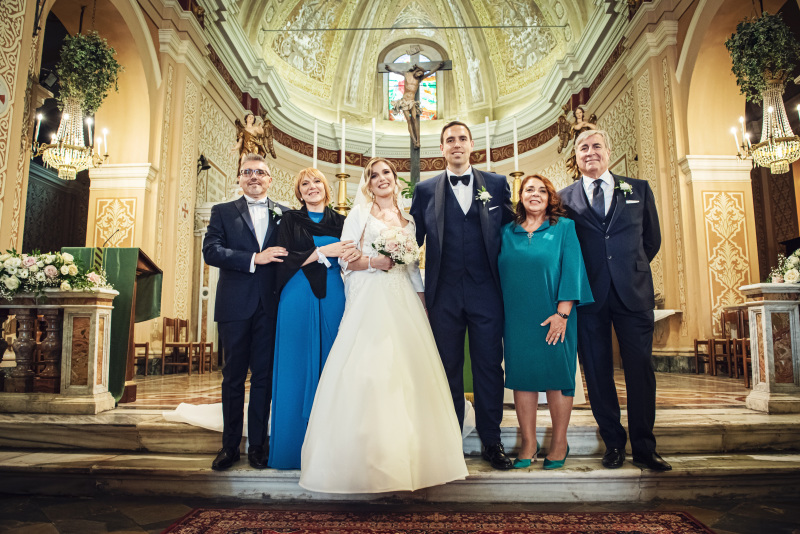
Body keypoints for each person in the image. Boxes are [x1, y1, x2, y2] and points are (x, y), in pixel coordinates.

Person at [300, 158, 468, 493]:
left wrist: (423, 304)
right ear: (368, 183)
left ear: (395, 179)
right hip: (370, 297)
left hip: (404, 299)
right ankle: (369, 456)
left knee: (409, 373)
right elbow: (345, 259)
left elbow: (413, 268)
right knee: (371, 372)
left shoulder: (410, 220)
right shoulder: (359, 215)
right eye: (373, 175)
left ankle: (414, 456)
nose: (381, 179)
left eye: (386, 173)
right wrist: (374, 262)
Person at [559, 130, 671, 472]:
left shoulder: (638, 189)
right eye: (583, 148)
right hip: (589, 297)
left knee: (640, 369)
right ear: (576, 156)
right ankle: (613, 444)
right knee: (597, 372)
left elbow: (651, 240)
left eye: (596, 146)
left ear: (608, 151)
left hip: (633, 293)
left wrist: (628, 268)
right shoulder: (564, 198)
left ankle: (645, 447)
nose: (590, 152)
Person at [409, 121, 515, 470]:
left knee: (489, 367)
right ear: (441, 148)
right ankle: (450, 439)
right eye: (449, 140)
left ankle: (492, 440)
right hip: (444, 295)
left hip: (488, 293)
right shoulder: (425, 190)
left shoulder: (496, 185)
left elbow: (513, 233)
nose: (456, 144)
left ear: (472, 145)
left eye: (462, 139)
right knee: (447, 368)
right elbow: (410, 242)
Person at [498, 174, 593, 470]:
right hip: (517, 319)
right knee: (522, 377)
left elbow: (572, 270)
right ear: (521, 197)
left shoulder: (564, 227)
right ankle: (528, 442)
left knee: (558, 378)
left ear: (551, 197)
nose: (535, 194)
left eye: (542, 190)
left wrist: (562, 314)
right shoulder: (506, 232)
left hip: (555, 315)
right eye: (529, 189)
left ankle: (560, 442)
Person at [202, 153, 289, 471]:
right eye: (247, 171)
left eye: (260, 172)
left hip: (271, 306)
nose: (254, 176)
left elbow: (295, 255)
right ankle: (229, 447)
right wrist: (254, 258)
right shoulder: (223, 211)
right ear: (239, 178)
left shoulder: (285, 214)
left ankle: (258, 447)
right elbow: (211, 251)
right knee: (233, 377)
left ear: (270, 180)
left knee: (264, 377)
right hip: (234, 305)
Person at [268, 168, 358, 469]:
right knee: (295, 364)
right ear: (299, 192)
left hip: (334, 293)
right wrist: (323, 251)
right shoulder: (289, 220)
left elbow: (351, 257)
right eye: (304, 183)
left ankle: (333, 450)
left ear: (326, 188)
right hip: (296, 293)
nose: (311, 187)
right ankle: (291, 448)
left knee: (334, 361)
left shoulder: (343, 222)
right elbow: (283, 259)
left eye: (317, 181)